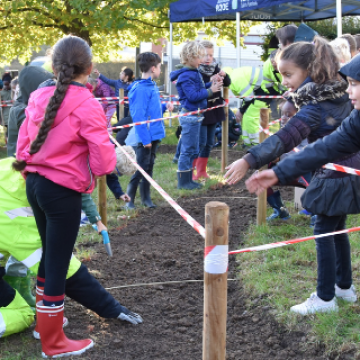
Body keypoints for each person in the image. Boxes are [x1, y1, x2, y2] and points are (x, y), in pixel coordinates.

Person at [225, 36, 356, 316]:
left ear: (311, 71)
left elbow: (284, 138)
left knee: (323, 229)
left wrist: (249, 159)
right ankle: (344, 288)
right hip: (349, 173)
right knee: (337, 228)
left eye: (289, 74)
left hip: (334, 176)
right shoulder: (342, 95)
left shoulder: (314, 108)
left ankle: (324, 298)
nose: (284, 81)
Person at [13, 36, 123, 358]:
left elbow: (23, 142)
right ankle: (53, 342)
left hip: (35, 183)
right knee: (58, 263)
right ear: (89, 69)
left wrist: (33, 172)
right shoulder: (88, 103)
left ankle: (44, 329)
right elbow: (103, 162)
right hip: (61, 192)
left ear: (54, 65)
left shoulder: (37, 94)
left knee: (50, 256)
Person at [0, 157, 142, 340]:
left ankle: (24, 296)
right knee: (21, 314)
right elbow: (62, 267)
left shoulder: (11, 166)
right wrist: (110, 307)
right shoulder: (17, 219)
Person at [170, 41, 223, 190]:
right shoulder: (186, 76)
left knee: (194, 148)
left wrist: (210, 85)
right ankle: (183, 181)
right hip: (190, 117)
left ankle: (188, 179)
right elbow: (193, 96)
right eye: (199, 57)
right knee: (187, 150)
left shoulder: (194, 72)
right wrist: (211, 91)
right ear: (190, 57)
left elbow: (199, 88)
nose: (202, 60)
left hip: (197, 116)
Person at [125, 52, 169, 209]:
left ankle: (146, 198)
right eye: (159, 67)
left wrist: (164, 107)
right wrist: (146, 140)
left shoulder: (152, 86)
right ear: (152, 68)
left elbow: (153, 110)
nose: (160, 70)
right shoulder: (141, 89)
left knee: (149, 166)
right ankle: (129, 200)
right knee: (141, 168)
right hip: (146, 137)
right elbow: (139, 116)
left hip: (154, 134)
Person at [193, 40, 231, 180]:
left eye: (211, 55)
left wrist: (223, 75)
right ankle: (192, 171)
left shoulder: (215, 67)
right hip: (203, 110)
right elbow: (197, 87)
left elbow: (228, 83)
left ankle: (202, 170)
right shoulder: (195, 70)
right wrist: (211, 80)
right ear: (198, 54)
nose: (208, 58)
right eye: (205, 55)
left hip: (215, 109)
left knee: (209, 142)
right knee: (201, 142)